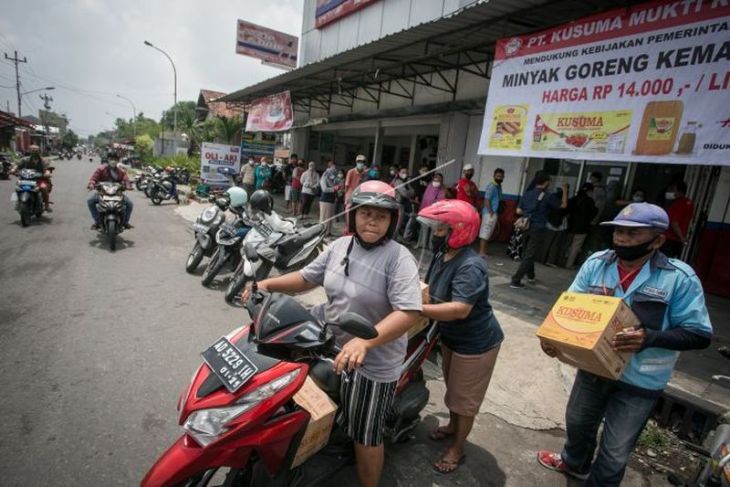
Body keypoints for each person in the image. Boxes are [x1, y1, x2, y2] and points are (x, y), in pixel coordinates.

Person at [241, 180, 422, 487]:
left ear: (393, 221)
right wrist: (267, 285)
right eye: (366, 213)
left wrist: (367, 341)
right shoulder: (340, 246)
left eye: (382, 215)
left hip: (372, 360)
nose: (373, 220)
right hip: (326, 342)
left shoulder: (398, 257)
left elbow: (409, 312)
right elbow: (306, 278)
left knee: (365, 435)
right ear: (353, 215)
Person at [537, 202, 713, 487]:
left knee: (615, 452)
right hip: (593, 368)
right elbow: (568, 307)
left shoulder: (679, 278)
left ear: (657, 240)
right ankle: (574, 463)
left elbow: (699, 334)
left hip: (640, 380)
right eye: (618, 230)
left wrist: (649, 338)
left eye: (632, 233)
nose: (621, 238)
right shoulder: (597, 264)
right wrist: (554, 339)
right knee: (578, 423)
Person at [418, 199, 504, 474]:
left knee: (464, 400)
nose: (436, 233)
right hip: (451, 338)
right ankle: (453, 427)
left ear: (460, 230)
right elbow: (430, 287)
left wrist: (415, 308)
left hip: (476, 342)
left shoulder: (470, 265)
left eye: (442, 229)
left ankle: (457, 448)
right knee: (453, 390)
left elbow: (460, 309)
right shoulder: (442, 254)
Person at [510, 173, 568, 288]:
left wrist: (528, 212)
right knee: (530, 254)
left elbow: (518, 211)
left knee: (527, 252)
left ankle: (531, 276)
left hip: (525, 226)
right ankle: (516, 280)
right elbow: (563, 205)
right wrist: (565, 190)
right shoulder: (547, 196)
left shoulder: (527, 194)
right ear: (546, 182)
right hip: (538, 227)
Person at [86, 153, 134, 229]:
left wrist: (128, 186)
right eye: (111, 159)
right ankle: (97, 221)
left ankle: (125, 222)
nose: (113, 161)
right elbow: (93, 179)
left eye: (115, 159)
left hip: (117, 194)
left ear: (118, 161)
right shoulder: (101, 169)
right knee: (90, 201)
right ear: (108, 160)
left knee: (129, 204)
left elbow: (126, 179)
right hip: (103, 193)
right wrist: (91, 184)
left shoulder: (121, 171)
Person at [565, 182, 598, 268]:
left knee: (566, 244)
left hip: (570, 226)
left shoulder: (573, 199)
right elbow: (594, 213)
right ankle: (569, 264)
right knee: (575, 247)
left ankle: (561, 261)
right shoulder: (590, 201)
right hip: (582, 228)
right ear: (590, 191)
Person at [14, 145, 53, 212]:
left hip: (40, 180)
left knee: (43, 188)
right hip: (26, 180)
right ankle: (18, 202)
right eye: (32, 150)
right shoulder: (25, 159)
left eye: (36, 150)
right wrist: (13, 169)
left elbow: (47, 169)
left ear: (39, 151)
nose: (34, 152)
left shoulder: (44, 160)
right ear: (29, 151)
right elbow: (17, 165)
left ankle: (46, 205)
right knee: (17, 187)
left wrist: (47, 173)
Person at [661, 181, 694, 259]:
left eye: (672, 190)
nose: (670, 192)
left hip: (670, 239)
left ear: (680, 192)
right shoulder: (689, 203)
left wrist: (681, 237)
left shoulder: (677, 204)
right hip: (677, 240)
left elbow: (674, 223)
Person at [478, 168, 505, 256]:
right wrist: (491, 212)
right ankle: (481, 251)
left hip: (493, 212)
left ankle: (484, 251)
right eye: (497, 176)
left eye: (501, 176)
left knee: (488, 232)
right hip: (489, 213)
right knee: (485, 232)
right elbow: (486, 200)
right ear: (493, 176)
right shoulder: (491, 186)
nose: (499, 178)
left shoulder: (498, 186)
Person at [416, 173, 445, 249]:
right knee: (423, 229)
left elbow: (440, 201)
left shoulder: (442, 189)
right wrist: (421, 211)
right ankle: (421, 244)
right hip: (425, 211)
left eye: (439, 179)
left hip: (435, 213)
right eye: (435, 178)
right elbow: (424, 199)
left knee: (433, 231)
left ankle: (430, 246)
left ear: (441, 181)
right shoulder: (429, 186)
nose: (436, 180)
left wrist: (434, 203)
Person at [392, 166, 415, 238]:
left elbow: (413, 192)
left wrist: (408, 190)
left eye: (406, 172)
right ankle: (393, 238)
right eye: (403, 172)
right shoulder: (398, 181)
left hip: (404, 205)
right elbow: (404, 193)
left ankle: (396, 237)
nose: (405, 174)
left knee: (400, 223)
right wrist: (409, 193)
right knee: (397, 224)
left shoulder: (405, 182)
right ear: (399, 173)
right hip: (398, 204)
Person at [319, 159, 337, 235]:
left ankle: (328, 232)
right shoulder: (324, 177)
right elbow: (324, 189)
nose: (334, 170)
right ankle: (322, 232)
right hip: (325, 199)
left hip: (332, 200)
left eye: (335, 168)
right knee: (324, 217)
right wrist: (334, 189)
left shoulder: (333, 179)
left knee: (330, 218)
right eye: (333, 168)